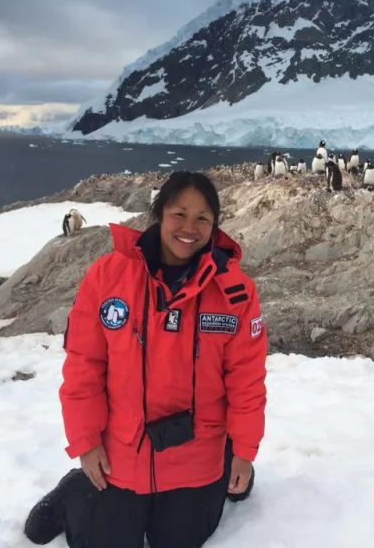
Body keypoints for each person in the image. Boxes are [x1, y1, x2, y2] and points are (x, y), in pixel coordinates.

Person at [24, 171, 268, 547]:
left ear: (215, 225)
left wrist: (245, 452)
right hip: (124, 451)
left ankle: (225, 476)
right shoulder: (109, 277)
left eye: (203, 217)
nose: (190, 227)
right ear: (159, 214)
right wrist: (86, 441)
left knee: (176, 541)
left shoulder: (234, 293)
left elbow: (246, 380)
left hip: (196, 453)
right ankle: (74, 490)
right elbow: (84, 365)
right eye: (179, 214)